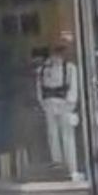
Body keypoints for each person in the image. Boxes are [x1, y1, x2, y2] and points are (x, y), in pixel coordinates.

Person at [38, 36, 81, 180]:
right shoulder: (44, 68)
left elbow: (73, 87)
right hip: (50, 103)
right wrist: (43, 103)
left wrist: (70, 104)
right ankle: (58, 168)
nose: (58, 54)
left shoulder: (69, 67)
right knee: (53, 136)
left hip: (64, 104)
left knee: (67, 136)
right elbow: (40, 88)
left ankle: (71, 169)